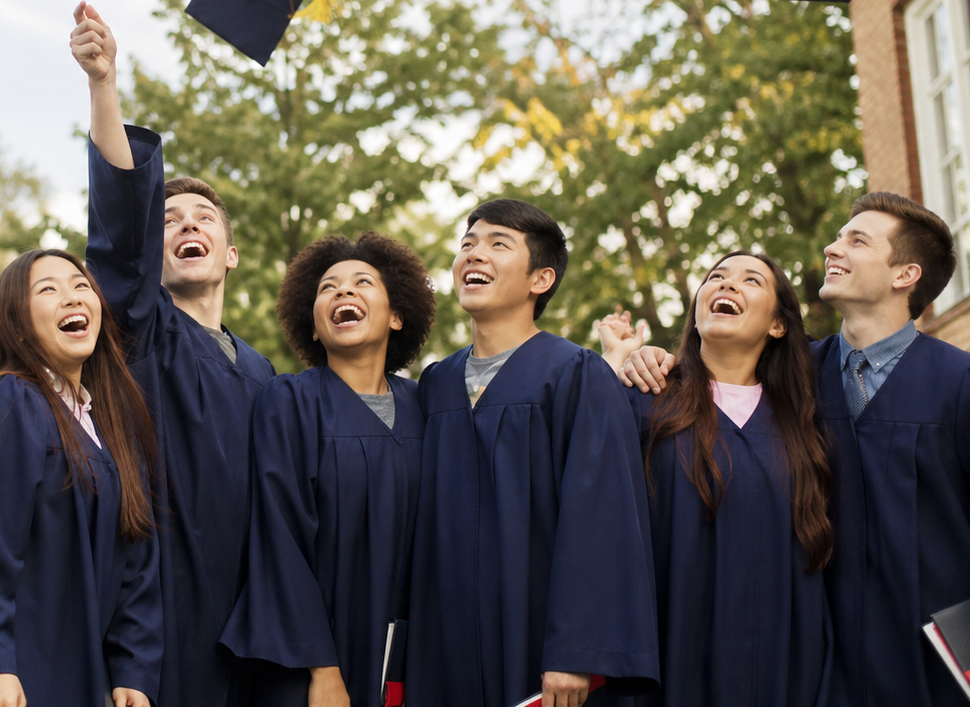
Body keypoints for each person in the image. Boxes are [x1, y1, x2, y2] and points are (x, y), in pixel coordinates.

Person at [618, 193, 970, 706]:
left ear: (904, 275)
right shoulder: (799, 373)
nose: (833, 247)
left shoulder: (957, 382)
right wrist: (648, 360)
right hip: (820, 659)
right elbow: (715, 369)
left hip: (932, 655)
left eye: (857, 240)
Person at [69, 1, 277, 707]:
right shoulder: (139, 326)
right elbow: (121, 224)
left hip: (253, 625)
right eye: (170, 220)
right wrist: (104, 84)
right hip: (162, 606)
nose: (186, 225)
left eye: (204, 219)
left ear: (231, 252)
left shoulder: (263, 373)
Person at [405, 199, 659, 707]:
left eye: (498, 244)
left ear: (540, 279)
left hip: (541, 644)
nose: (475, 255)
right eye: (468, 244)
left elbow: (602, 521)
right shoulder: (434, 384)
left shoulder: (576, 375)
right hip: (443, 645)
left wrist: (576, 650)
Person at [0, 248, 162, 707]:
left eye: (80, 286)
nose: (72, 298)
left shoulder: (110, 427)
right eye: (48, 290)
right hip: (16, 680)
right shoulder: (5, 402)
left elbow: (137, 563)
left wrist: (134, 668)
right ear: (17, 322)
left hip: (87, 678)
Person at [597, 252, 833, 706]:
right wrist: (614, 363)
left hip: (783, 671)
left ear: (778, 325)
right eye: (716, 278)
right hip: (669, 663)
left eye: (750, 281)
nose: (726, 285)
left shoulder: (806, 424)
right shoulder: (647, 400)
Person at [220, 231, 435, 707]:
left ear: (398, 316)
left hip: (407, 657)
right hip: (313, 660)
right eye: (328, 288)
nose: (343, 292)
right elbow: (280, 538)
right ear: (314, 327)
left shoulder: (426, 406)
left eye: (363, 282)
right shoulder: (290, 401)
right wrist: (322, 668)